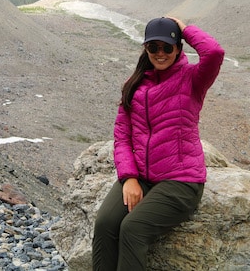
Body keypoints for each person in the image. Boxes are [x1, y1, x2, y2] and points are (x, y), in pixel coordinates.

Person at [92, 16, 225, 270]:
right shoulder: (134, 85)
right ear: (145, 48)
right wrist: (129, 177)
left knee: (132, 228)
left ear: (178, 48)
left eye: (167, 47)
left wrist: (184, 29)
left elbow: (214, 53)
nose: (160, 53)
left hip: (181, 181)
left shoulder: (192, 79)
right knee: (106, 224)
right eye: (154, 47)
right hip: (142, 177)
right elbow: (122, 136)